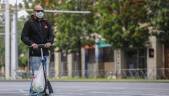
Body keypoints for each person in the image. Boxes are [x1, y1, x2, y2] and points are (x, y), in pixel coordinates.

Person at [21, 4, 54, 96]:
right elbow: (24, 37)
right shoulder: (29, 23)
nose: (40, 13)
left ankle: (43, 91)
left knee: (44, 74)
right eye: (38, 11)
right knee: (36, 74)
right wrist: (31, 44)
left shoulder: (46, 23)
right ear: (34, 12)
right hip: (35, 53)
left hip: (45, 52)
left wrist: (49, 42)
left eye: (41, 11)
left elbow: (51, 35)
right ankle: (34, 92)